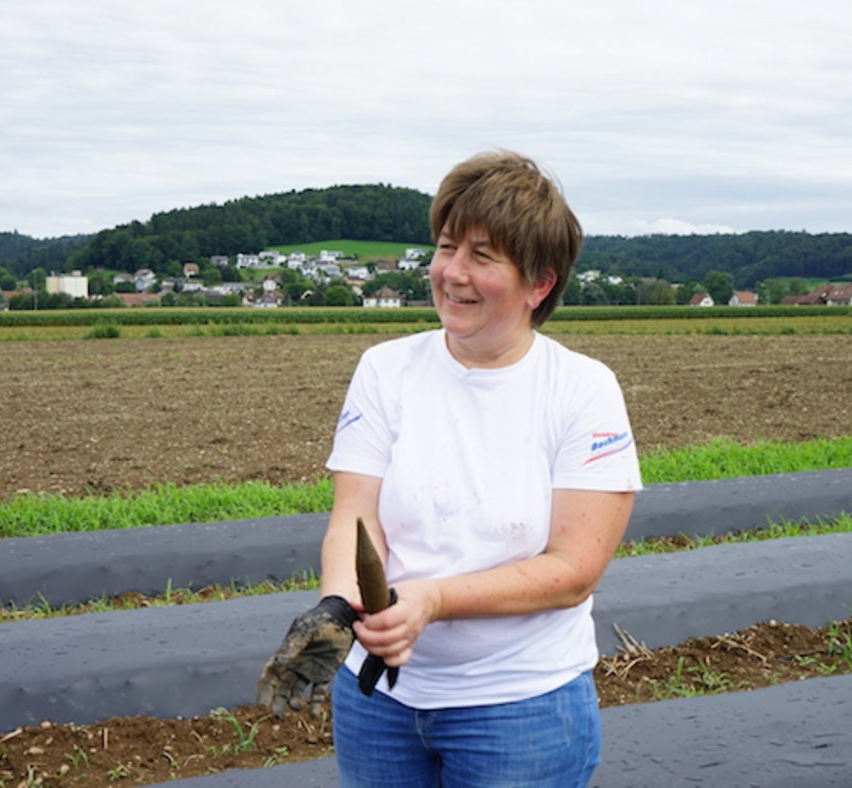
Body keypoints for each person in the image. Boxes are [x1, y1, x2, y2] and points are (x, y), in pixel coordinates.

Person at [257, 150, 641, 786]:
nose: (451, 273)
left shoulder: (581, 389)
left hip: (520, 708)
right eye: (445, 248)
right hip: (379, 702)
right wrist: (339, 605)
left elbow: (573, 571)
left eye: (482, 256)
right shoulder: (386, 369)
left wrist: (429, 601)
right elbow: (355, 514)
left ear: (539, 284)